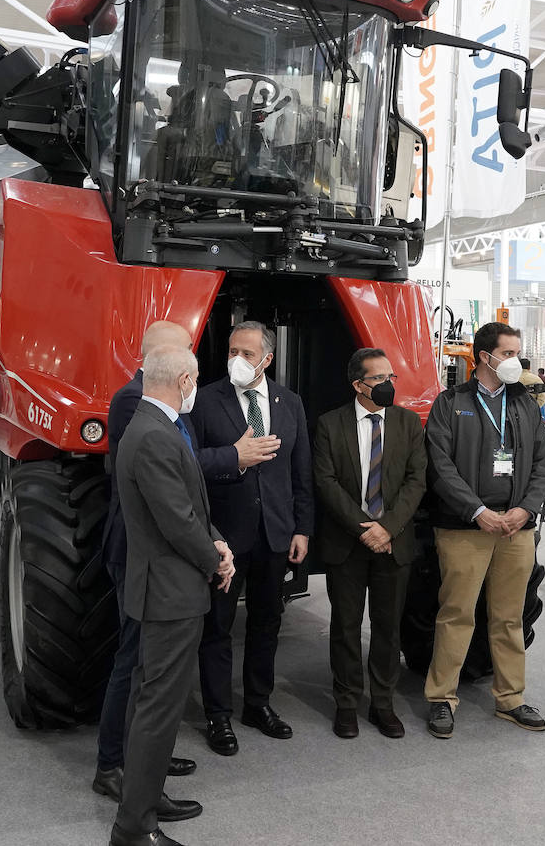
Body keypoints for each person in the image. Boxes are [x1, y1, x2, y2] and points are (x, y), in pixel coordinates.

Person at [94, 320, 265, 812]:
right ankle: (117, 767)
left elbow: (185, 483)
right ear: (167, 362)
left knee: (153, 681)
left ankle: (145, 763)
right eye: (186, 353)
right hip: (148, 560)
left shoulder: (162, 412)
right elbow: (170, 498)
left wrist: (214, 540)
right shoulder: (138, 404)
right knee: (139, 671)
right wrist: (216, 555)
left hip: (173, 557)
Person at [109, 345, 235, 846]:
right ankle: (133, 827)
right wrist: (215, 560)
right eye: (196, 381)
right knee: (157, 707)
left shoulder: (152, 426)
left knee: (151, 701)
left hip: (165, 587)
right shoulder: (154, 434)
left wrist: (216, 539)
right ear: (183, 378)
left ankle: (147, 795)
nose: (195, 391)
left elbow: (190, 507)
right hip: (170, 592)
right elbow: (176, 521)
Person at [423, 321, 545, 738]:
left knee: (509, 617)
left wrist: (526, 509)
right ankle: (442, 699)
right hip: (465, 528)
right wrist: (476, 510)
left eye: (518, 353)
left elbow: (541, 462)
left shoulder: (524, 405)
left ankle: (510, 698)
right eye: (509, 353)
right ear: (485, 357)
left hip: (515, 528)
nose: (517, 361)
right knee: (456, 614)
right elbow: (440, 466)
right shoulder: (450, 403)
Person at [191, 320, 314, 755]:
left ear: (267, 358)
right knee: (218, 627)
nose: (236, 361)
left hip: (275, 535)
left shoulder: (289, 402)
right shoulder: (206, 401)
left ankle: (258, 704)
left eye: (246, 354)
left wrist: (302, 527)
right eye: (231, 352)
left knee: (266, 624)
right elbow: (191, 465)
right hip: (225, 537)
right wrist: (235, 460)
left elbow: (301, 472)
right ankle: (218, 715)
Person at [313, 348, 427, 739]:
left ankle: (382, 704)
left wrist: (387, 528)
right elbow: (325, 482)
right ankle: (346, 703)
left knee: (387, 628)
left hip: (393, 543)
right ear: (358, 385)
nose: (387, 385)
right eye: (378, 379)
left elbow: (416, 482)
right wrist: (365, 527)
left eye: (389, 376)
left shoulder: (409, 423)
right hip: (347, 541)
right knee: (345, 627)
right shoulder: (330, 424)